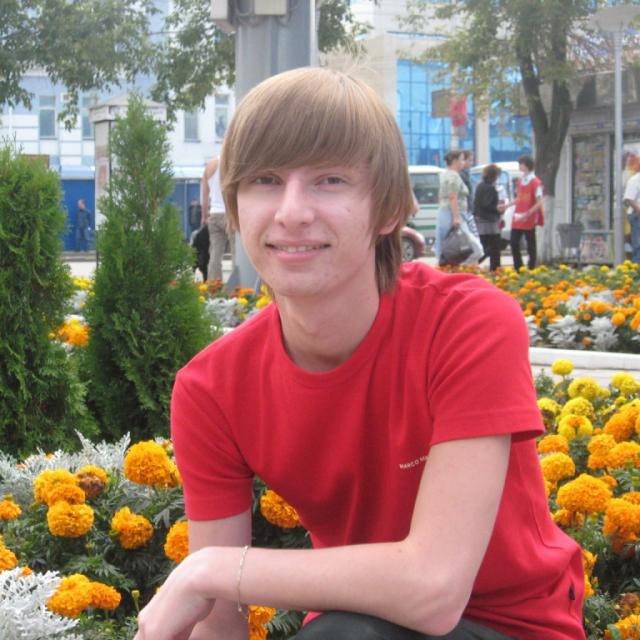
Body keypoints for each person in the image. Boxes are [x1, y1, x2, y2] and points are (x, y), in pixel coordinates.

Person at [134, 68, 585, 640]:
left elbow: (433, 589)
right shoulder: (212, 388)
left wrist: (211, 570)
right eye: (266, 180)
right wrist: (209, 585)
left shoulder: (466, 322)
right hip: (357, 621)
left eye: (330, 180)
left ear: (388, 210)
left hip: (513, 625)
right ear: (237, 207)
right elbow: (218, 622)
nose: (292, 212)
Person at [435, 150, 482, 265]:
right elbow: (453, 197)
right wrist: (456, 217)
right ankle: (460, 268)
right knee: (476, 249)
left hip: (445, 213)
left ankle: (450, 269)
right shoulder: (454, 176)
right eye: (462, 160)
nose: (463, 162)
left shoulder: (444, 174)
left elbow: (441, 197)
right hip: (454, 214)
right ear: (455, 161)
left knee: (448, 249)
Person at [202, 157, 233, 282]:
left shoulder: (209, 166)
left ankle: (214, 286)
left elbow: (204, 195)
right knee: (237, 253)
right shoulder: (230, 162)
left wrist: (204, 216)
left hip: (214, 214)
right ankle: (239, 285)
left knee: (215, 254)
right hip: (229, 215)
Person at [510, 155, 543, 270]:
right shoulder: (520, 181)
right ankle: (518, 267)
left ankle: (531, 266)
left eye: (521, 164)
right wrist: (507, 205)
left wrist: (528, 213)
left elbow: (539, 202)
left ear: (527, 165)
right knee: (513, 242)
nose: (519, 166)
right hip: (518, 215)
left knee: (530, 244)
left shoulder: (535, 182)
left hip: (529, 217)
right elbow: (519, 198)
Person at [474, 164, 506, 271]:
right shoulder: (490, 188)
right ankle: (495, 270)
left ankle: (474, 264)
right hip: (489, 222)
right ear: (494, 176)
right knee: (494, 248)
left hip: (479, 221)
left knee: (483, 246)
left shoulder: (480, 186)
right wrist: (497, 208)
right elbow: (486, 205)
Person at [623, 163, 640, 264]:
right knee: (638, 245)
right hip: (637, 215)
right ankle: (637, 268)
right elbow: (629, 198)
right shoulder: (635, 180)